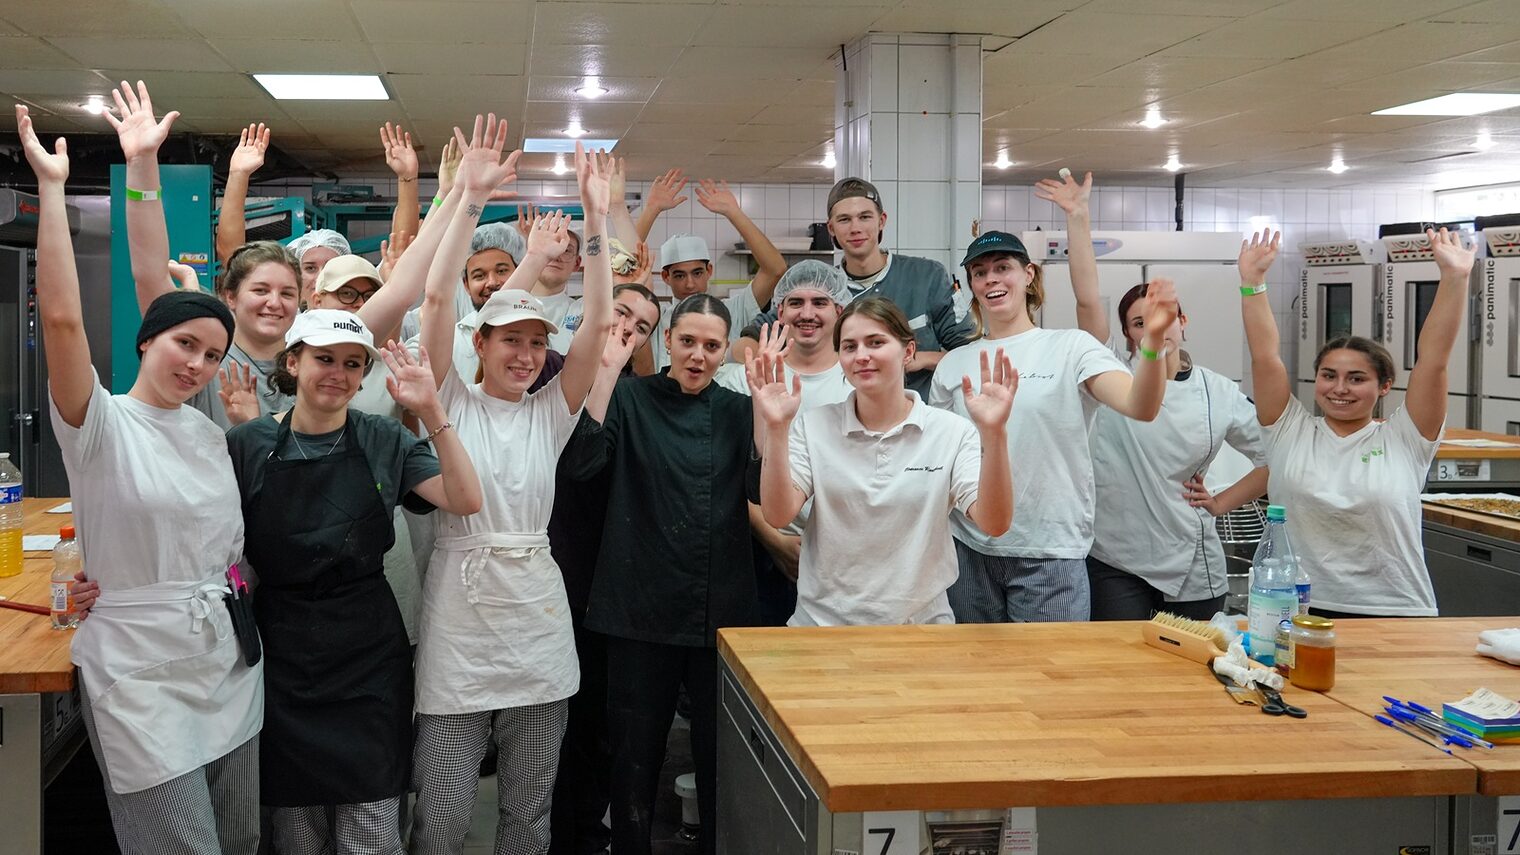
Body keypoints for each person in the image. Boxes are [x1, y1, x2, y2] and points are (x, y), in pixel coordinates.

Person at [22, 96, 263, 854]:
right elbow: (63, 319)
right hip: (137, 674)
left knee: (240, 838)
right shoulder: (97, 424)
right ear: (148, 339)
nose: (197, 364)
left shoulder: (207, 427)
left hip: (224, 660)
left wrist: (142, 167)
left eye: (213, 354)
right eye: (183, 343)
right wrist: (62, 187)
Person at [410, 121, 613, 855]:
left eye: (535, 342)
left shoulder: (549, 415)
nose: (526, 354)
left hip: (536, 620)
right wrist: (466, 198)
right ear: (481, 346)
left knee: (530, 808)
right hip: (460, 616)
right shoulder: (449, 400)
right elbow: (435, 299)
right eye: (510, 341)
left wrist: (596, 221)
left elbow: (596, 321)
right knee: (445, 811)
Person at [224, 310, 481, 855]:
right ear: (292, 363)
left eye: (351, 364)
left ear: (364, 375)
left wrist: (431, 408)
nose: (337, 373)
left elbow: (465, 500)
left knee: (371, 827)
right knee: (297, 832)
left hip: (368, 659)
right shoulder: (246, 444)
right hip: (284, 657)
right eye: (323, 359)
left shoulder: (385, 438)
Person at [561, 293, 761, 855]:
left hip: (718, 608)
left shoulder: (739, 411)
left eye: (712, 346)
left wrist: (772, 420)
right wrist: (605, 375)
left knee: (720, 758)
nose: (698, 355)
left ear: (726, 352)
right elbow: (581, 465)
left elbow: (761, 494)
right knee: (632, 757)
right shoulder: (628, 398)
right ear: (667, 340)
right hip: (637, 602)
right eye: (687, 341)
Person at [929, 229, 1177, 623]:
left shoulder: (1070, 347)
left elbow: (1141, 406)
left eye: (1002, 268)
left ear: (1028, 274)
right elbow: (940, 461)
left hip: (1050, 552)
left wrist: (1153, 341)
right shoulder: (953, 364)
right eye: (979, 272)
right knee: (971, 677)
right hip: (968, 549)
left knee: (1049, 679)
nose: (991, 279)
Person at [1240, 227, 1474, 617]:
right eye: (1329, 375)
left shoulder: (1405, 439)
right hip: (1297, 608)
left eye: (1357, 378)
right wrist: (1253, 284)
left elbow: (1433, 359)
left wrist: (1454, 279)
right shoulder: (1289, 432)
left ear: (1384, 387)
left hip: (1396, 611)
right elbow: (1265, 357)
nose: (1340, 388)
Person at [752, 296, 1016, 626]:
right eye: (849, 347)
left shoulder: (950, 432)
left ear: (907, 352)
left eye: (876, 342)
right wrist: (777, 427)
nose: (862, 355)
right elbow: (778, 515)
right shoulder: (814, 426)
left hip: (919, 630)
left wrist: (995, 434)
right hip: (821, 627)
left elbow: (994, 523)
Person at [545, 283, 662, 855]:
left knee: (594, 720)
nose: (627, 328)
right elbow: (571, 468)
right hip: (549, 570)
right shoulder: (547, 369)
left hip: (605, 577)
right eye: (621, 312)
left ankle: (586, 833)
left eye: (641, 326)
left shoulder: (638, 397)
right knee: (551, 725)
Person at [1087, 279, 1269, 621]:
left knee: (1191, 667)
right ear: (1128, 335)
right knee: (1119, 667)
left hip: (1191, 563)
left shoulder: (1217, 391)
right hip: (1115, 557)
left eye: (1165, 316)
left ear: (1183, 322)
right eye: (1140, 323)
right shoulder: (1112, 381)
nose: (1155, 327)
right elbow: (1087, 301)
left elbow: (1275, 457)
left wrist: (1220, 503)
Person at [739, 176, 974, 396]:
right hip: (845, 417)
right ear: (831, 228)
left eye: (864, 217)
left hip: (920, 417)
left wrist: (921, 358)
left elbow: (970, 350)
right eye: (844, 220)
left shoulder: (926, 276)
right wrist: (758, 356)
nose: (855, 228)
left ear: (881, 221)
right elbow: (755, 336)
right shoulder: (821, 288)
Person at [714, 260, 854, 623]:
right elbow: (720, 474)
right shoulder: (742, 380)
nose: (807, 313)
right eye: (796, 303)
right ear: (779, 311)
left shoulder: (860, 379)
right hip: (760, 551)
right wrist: (772, 538)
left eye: (820, 303)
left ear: (839, 310)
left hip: (847, 555)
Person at [636, 171, 786, 370]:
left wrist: (734, 213)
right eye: (679, 275)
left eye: (697, 273)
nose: (690, 284)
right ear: (665, 277)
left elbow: (776, 269)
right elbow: (622, 270)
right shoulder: (655, 320)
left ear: (709, 271)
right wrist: (650, 211)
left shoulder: (734, 310)